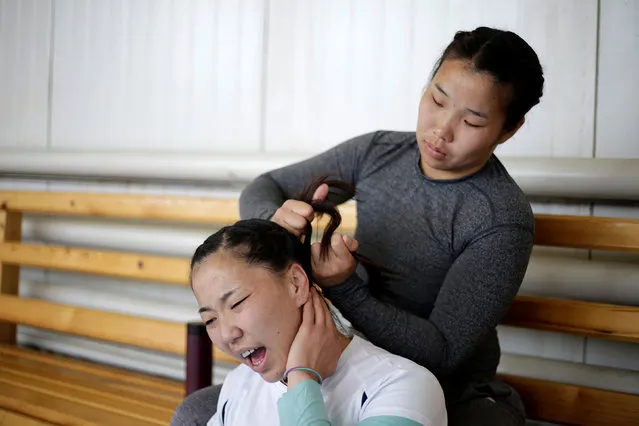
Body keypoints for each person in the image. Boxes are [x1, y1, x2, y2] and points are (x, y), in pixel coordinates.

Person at [171, 26, 544, 426]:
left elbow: (441, 354)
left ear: (509, 129)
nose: (441, 129)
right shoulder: (379, 153)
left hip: (445, 391)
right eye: (437, 99)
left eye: (471, 121)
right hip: (340, 364)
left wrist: (344, 288)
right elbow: (265, 187)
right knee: (197, 412)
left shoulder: (499, 219)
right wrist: (275, 222)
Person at [186, 176, 447, 425]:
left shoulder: (403, 388)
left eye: (237, 303)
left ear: (296, 283)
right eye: (210, 319)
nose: (227, 334)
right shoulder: (238, 385)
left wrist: (301, 377)